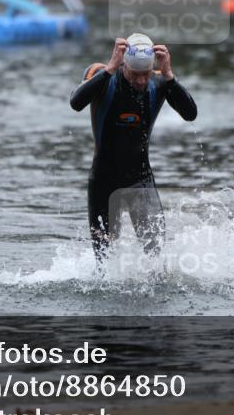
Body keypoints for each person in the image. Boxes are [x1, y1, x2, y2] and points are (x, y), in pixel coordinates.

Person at [70, 33, 197, 263]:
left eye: (145, 74)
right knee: (104, 263)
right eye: (135, 74)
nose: (141, 81)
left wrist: (169, 75)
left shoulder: (160, 83)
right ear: (123, 65)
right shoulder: (102, 76)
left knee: (156, 259)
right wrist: (110, 68)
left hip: (141, 180)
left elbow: (190, 114)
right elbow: (76, 102)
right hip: (103, 183)